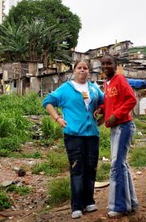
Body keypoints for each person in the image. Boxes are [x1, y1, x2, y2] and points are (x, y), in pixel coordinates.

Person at [42, 60, 104, 219]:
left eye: (85, 68)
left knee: (91, 168)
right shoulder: (66, 88)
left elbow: (105, 103)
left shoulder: (94, 88)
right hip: (73, 135)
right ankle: (76, 206)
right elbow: (47, 101)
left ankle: (89, 201)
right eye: (79, 68)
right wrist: (57, 119)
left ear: (89, 71)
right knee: (77, 169)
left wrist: (101, 115)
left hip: (92, 135)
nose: (83, 70)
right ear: (74, 70)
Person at [93, 54, 139, 218]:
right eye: (103, 64)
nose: (105, 67)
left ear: (115, 65)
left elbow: (131, 99)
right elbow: (112, 101)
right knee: (122, 164)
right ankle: (131, 202)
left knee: (117, 165)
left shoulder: (119, 79)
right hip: (116, 127)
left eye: (109, 63)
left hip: (124, 126)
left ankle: (120, 207)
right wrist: (102, 109)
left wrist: (116, 115)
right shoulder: (107, 83)